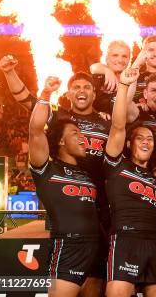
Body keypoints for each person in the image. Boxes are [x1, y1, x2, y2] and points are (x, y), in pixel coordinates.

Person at [28, 76, 103, 297]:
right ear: (60, 141)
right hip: (68, 248)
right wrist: (45, 94)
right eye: (75, 134)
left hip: (96, 248)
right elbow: (35, 130)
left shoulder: (88, 170)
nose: (83, 139)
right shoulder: (46, 168)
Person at [103, 68, 156, 297]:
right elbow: (118, 126)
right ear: (129, 144)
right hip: (125, 240)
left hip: (154, 243)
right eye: (140, 138)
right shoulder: (117, 165)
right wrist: (123, 87)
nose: (145, 142)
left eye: (150, 139)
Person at [90, 40, 131, 114]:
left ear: (129, 60)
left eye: (124, 56)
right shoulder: (97, 78)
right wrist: (97, 114)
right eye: (115, 55)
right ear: (106, 58)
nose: (120, 60)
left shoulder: (132, 80)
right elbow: (92, 67)